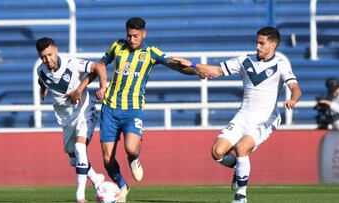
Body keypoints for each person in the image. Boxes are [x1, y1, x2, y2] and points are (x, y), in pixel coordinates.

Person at [73, 17, 197, 203]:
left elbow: (174, 64)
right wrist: (81, 88)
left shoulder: (151, 52)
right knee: (107, 160)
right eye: (129, 35)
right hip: (110, 109)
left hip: (133, 110)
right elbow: (99, 66)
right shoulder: (117, 47)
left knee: (131, 148)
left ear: (144, 34)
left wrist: (195, 70)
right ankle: (123, 186)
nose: (131, 40)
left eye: (135, 36)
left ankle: (134, 158)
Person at [175, 26, 302, 203]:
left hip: (265, 119)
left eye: (261, 43)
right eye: (257, 42)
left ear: (273, 45)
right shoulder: (245, 61)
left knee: (241, 148)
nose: (257, 46)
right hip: (243, 117)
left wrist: (293, 100)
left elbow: (295, 88)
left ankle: (241, 195)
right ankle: (238, 168)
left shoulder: (281, 65)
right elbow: (217, 70)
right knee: (217, 152)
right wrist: (194, 65)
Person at [36, 37, 107, 203]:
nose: (48, 60)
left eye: (50, 54)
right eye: (43, 57)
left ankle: (80, 197)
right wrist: (43, 89)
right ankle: (96, 179)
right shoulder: (41, 70)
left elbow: (99, 67)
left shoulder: (72, 64)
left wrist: (87, 88)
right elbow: (42, 80)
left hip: (84, 111)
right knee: (73, 159)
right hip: (66, 118)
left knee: (79, 148)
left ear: (56, 49)